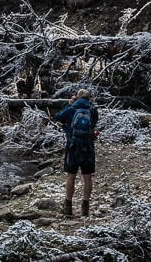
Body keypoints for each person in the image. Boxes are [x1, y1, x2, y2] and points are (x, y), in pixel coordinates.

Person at [54, 88, 98, 216]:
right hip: (88, 146)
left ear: (77, 97)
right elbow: (94, 123)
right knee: (87, 177)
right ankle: (85, 208)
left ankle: (68, 206)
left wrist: (68, 104)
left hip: (72, 146)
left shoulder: (72, 109)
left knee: (71, 176)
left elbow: (58, 117)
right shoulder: (92, 110)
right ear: (89, 98)